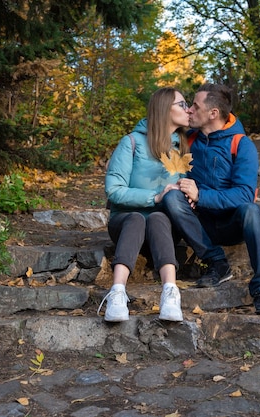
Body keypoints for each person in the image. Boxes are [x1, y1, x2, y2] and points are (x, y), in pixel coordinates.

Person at [161, 83, 260, 317]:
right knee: (172, 197)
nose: (190, 110)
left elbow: (244, 194)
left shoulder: (241, 145)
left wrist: (201, 195)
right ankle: (217, 263)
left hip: (231, 223)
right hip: (199, 224)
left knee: (252, 210)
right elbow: (160, 140)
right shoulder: (188, 140)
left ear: (213, 113)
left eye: (195, 105)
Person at [99, 87, 191, 322]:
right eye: (181, 104)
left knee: (158, 218)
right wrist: (155, 197)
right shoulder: (131, 142)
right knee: (138, 218)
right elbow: (114, 190)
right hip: (126, 222)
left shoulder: (181, 147)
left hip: (163, 229)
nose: (187, 108)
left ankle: (170, 292)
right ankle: (117, 292)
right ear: (164, 109)